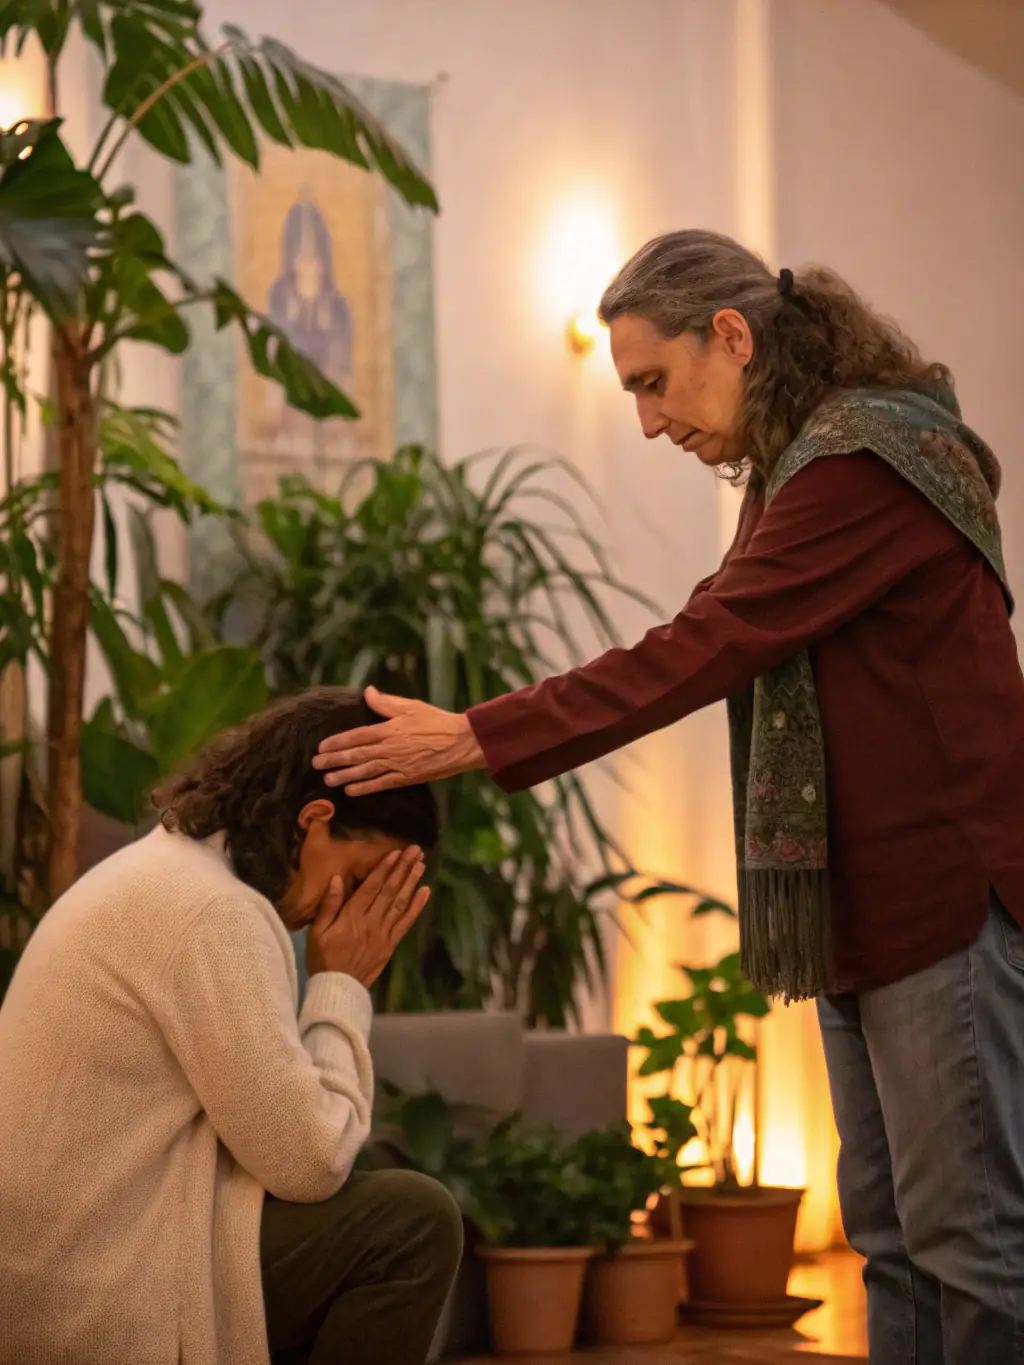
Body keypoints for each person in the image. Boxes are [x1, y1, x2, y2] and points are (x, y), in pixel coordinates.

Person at [314, 230, 1024, 1364]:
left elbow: (705, 644)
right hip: (864, 910)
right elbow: (715, 623)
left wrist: (477, 734)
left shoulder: (858, 464)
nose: (648, 421)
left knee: (971, 1247)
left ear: (730, 336)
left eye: (654, 381)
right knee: (891, 1240)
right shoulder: (805, 464)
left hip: (937, 894)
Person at [0, 687, 463, 1365]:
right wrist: (342, 984)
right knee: (411, 1223)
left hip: (62, 1258)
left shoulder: (177, 870)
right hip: (88, 1286)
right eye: (361, 876)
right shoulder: (214, 913)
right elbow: (308, 1162)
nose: (356, 905)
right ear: (315, 819)